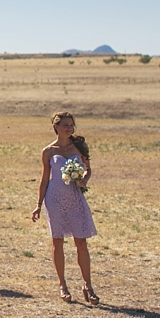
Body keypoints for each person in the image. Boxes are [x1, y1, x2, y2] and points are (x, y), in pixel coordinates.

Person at [31, 111, 99, 304]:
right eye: (65, 125)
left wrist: (84, 178)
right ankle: (63, 285)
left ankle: (88, 285)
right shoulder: (48, 151)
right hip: (54, 198)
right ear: (56, 127)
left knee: (81, 242)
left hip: (75, 198)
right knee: (58, 241)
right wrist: (38, 205)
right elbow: (45, 179)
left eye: (71, 125)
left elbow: (88, 168)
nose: (69, 128)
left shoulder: (78, 147)